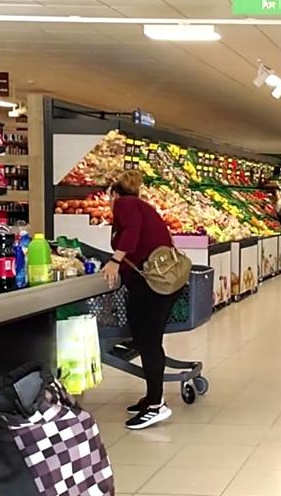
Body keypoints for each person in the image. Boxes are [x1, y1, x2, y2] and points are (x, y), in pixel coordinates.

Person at [101, 170, 183, 430]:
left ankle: (157, 405)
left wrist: (115, 261)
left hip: (151, 285)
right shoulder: (142, 206)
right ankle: (151, 398)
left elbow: (132, 234)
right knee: (149, 341)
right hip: (160, 282)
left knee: (148, 342)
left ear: (114, 193)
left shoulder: (125, 204)